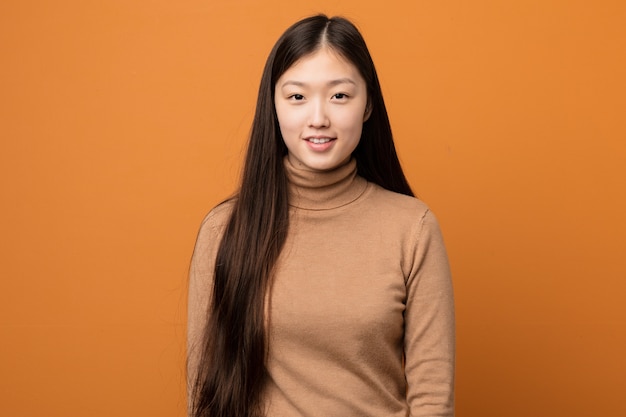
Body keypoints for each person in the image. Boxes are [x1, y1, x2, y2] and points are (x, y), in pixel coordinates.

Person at [187, 14, 455, 417]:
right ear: (272, 107)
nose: (318, 118)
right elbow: (206, 394)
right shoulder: (226, 229)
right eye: (297, 97)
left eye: (339, 96)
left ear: (368, 106)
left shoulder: (412, 228)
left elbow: (433, 399)